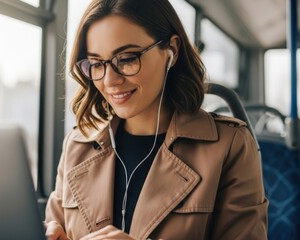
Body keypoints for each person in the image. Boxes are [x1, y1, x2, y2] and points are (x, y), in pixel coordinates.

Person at [44, 0, 268, 239]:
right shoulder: (77, 146)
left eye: (127, 59)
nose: (109, 81)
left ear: (171, 51)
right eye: (97, 64)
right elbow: (55, 223)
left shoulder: (230, 145)